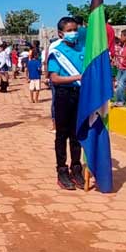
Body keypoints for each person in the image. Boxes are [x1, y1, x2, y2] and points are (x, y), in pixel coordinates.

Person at [48, 17, 85, 190]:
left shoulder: (82, 48)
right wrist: (77, 77)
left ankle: (76, 169)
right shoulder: (56, 52)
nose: (73, 33)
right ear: (61, 33)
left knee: (77, 134)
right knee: (62, 135)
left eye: (75, 29)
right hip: (64, 95)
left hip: (80, 95)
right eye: (69, 30)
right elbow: (54, 78)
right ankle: (62, 171)